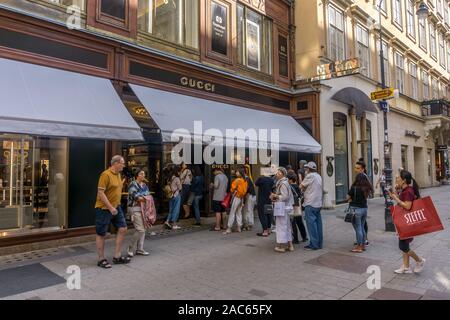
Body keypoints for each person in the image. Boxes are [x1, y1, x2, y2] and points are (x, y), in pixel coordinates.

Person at [95, 155, 130, 268]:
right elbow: (100, 193)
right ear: (115, 163)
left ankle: (117, 256)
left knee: (123, 228)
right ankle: (101, 259)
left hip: (116, 206)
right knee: (101, 233)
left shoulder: (119, 175)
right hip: (104, 208)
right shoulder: (105, 175)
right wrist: (110, 208)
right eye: (122, 163)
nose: (124, 165)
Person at [389, 170, 426, 274]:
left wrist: (396, 198)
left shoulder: (408, 191)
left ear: (404, 180)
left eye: (398, 178)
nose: (396, 179)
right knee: (405, 246)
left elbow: (408, 206)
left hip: (408, 222)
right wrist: (397, 193)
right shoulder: (405, 190)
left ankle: (419, 260)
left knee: (403, 246)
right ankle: (406, 267)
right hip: (405, 221)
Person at [127, 169, 152, 257]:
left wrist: (145, 197)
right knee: (140, 229)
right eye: (141, 174)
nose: (143, 175)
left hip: (143, 209)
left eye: (144, 174)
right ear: (137, 175)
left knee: (143, 228)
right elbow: (136, 197)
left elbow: (147, 195)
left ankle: (140, 249)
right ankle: (130, 247)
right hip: (134, 208)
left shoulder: (145, 185)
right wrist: (145, 197)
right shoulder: (132, 184)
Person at [347, 173, 372, 253]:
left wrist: (350, 200)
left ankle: (359, 246)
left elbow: (347, 197)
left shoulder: (354, 188)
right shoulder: (366, 188)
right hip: (364, 209)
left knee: (358, 228)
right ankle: (363, 245)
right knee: (361, 227)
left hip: (356, 210)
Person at [300, 161, 323, 251]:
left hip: (310, 203)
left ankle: (314, 244)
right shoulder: (319, 176)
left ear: (308, 169)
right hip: (318, 203)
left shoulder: (309, 176)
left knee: (311, 225)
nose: (305, 170)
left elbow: (301, 186)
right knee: (318, 224)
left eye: (306, 168)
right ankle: (319, 243)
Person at [270, 167, 294, 252]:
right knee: (287, 226)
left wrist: (275, 196)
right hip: (285, 207)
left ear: (282, 174)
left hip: (282, 207)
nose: (276, 174)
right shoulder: (285, 182)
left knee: (281, 226)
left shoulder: (282, 183)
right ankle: (290, 245)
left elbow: (284, 196)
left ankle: (281, 246)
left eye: (278, 172)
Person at [223, 168, 247, 234]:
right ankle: (239, 227)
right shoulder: (244, 180)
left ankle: (229, 228)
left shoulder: (237, 180)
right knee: (238, 212)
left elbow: (232, 189)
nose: (236, 173)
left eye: (237, 172)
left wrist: (232, 190)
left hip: (236, 197)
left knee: (232, 212)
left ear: (240, 173)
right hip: (241, 198)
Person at [355, 160, 372, 246]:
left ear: (362, 169)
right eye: (355, 168)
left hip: (362, 204)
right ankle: (362, 239)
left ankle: (364, 240)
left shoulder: (363, 177)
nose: (356, 170)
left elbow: (369, 188)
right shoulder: (360, 176)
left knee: (363, 223)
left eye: (358, 168)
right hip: (362, 204)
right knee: (362, 223)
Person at [287, 172, 308, 243]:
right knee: (300, 222)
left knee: (293, 223)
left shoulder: (290, 187)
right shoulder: (297, 186)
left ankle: (295, 239)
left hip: (293, 206)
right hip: (298, 206)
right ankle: (304, 237)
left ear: (290, 180)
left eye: (288, 179)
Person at [255, 167, 275, 237]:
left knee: (262, 215)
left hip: (262, 200)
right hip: (269, 200)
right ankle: (269, 229)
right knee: (268, 214)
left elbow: (256, 184)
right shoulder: (272, 180)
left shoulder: (261, 179)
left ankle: (265, 231)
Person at [165, 165, 182, 230]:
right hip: (176, 195)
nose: (180, 173)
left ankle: (167, 221)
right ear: (177, 171)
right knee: (176, 210)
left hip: (170, 195)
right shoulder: (177, 178)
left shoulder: (169, 178)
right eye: (179, 171)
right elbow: (180, 188)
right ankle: (174, 224)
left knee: (171, 209)